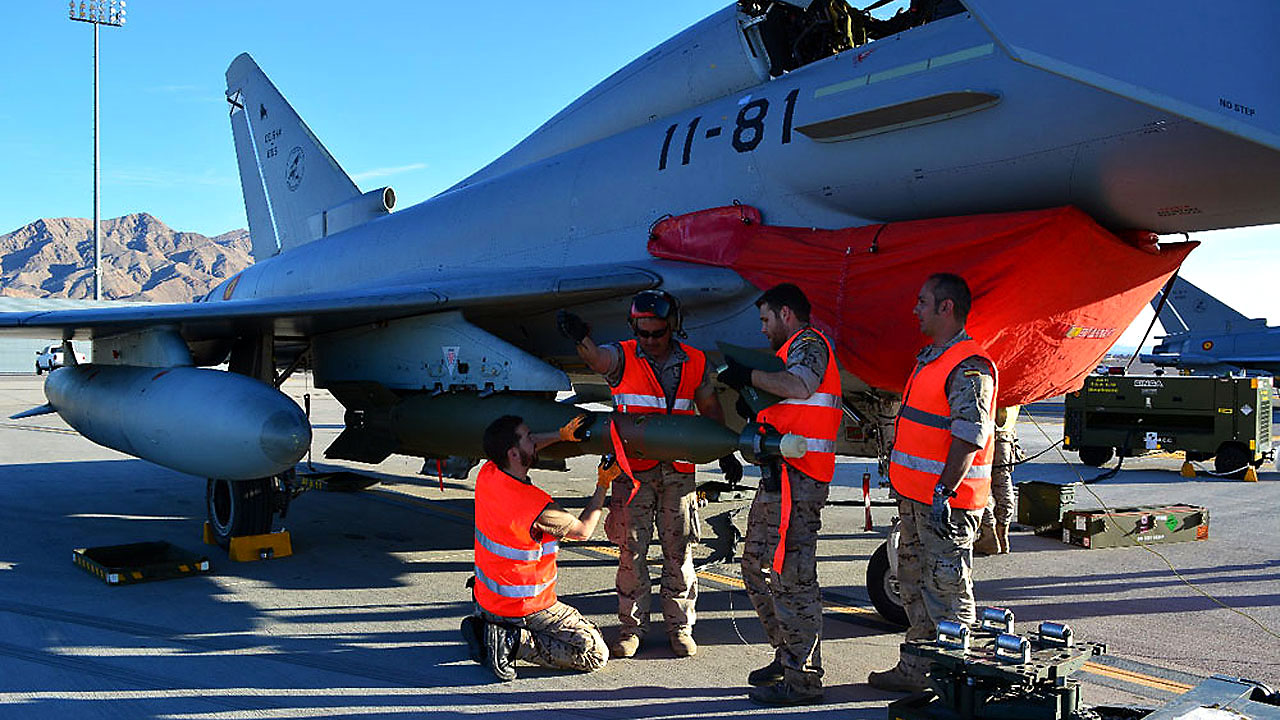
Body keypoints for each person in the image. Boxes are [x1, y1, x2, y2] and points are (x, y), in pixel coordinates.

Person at [556, 290, 727, 659]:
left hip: (678, 472)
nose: (650, 340)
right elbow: (597, 359)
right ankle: (631, 630)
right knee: (631, 553)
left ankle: (680, 628)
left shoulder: (695, 361)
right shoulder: (622, 356)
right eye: (643, 333)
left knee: (679, 552)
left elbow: (710, 407)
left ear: (673, 326)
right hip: (632, 471)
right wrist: (581, 339)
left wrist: (723, 450)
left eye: (657, 333)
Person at [868, 273, 998, 693]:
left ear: (946, 307)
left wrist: (944, 491)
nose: (915, 309)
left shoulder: (969, 367)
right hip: (916, 501)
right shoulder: (932, 359)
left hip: (945, 505)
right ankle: (917, 669)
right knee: (913, 585)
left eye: (922, 301)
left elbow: (969, 436)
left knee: (947, 594)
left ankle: (954, 685)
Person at [717, 282, 842, 706]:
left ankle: (803, 679)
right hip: (778, 478)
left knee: (793, 578)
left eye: (766, 319)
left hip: (800, 481)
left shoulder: (808, 344)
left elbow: (801, 387)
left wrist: (749, 377)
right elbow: (790, 404)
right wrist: (756, 401)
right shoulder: (787, 353)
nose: (763, 329)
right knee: (754, 565)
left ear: (786, 314)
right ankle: (786, 653)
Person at [460, 414, 612, 681]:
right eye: (529, 437)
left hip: (489, 599)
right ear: (514, 453)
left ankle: (487, 626)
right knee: (595, 653)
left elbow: (522, 448)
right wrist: (603, 483)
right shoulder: (536, 507)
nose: (535, 441)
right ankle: (510, 642)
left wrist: (561, 435)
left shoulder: (489, 473)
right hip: (525, 607)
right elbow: (583, 531)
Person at [974, 406, 1019, 555]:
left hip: (983, 432)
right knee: (1003, 481)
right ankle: (1002, 532)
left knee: (981, 481)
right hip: (1005, 436)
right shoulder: (1014, 392)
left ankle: (989, 533)